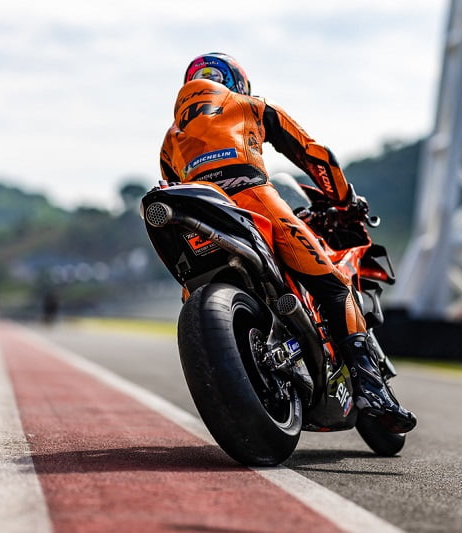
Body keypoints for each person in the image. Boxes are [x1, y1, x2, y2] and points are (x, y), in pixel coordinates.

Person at [160, 52, 416, 433]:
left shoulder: (170, 141)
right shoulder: (251, 105)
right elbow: (314, 155)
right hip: (253, 200)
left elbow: (171, 184)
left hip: (199, 222)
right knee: (334, 285)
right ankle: (371, 389)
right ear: (237, 83)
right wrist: (344, 199)